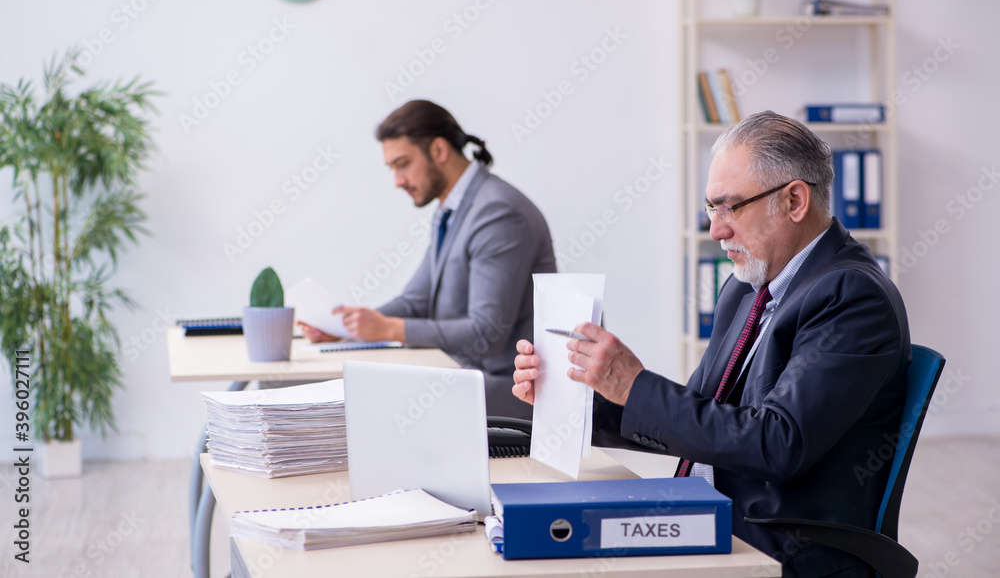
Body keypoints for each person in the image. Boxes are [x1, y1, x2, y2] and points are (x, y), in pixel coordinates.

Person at [511, 111, 910, 577]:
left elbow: (776, 444)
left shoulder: (852, 297)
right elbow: (704, 417)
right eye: (711, 209)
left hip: (783, 544)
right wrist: (585, 397)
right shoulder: (747, 287)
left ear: (795, 200)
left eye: (730, 207)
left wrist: (636, 385)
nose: (716, 230)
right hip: (717, 510)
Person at [303, 99, 556, 419]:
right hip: (465, 377)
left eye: (402, 163)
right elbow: (415, 301)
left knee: (366, 406)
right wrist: (347, 327)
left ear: (438, 150)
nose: (397, 180)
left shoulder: (497, 213)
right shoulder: (452, 208)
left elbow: (486, 335)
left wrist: (389, 329)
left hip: (511, 392)